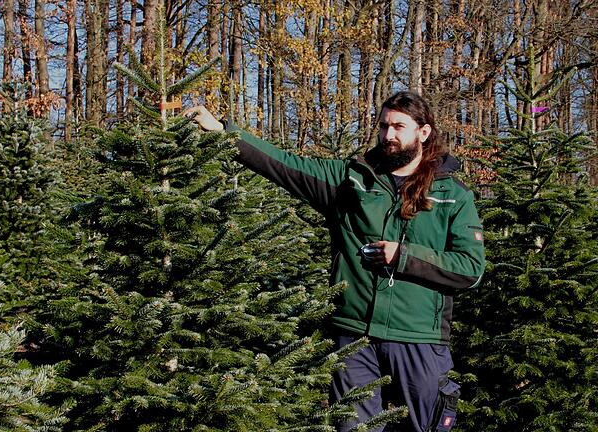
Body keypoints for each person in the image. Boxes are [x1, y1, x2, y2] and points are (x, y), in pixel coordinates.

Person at [184, 91, 485, 432]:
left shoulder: (452, 195)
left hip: (418, 338)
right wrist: (224, 131)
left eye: (399, 127)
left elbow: (469, 268)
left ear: (424, 132)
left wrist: (403, 257)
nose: (389, 135)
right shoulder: (351, 180)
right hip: (353, 335)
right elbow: (285, 165)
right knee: (352, 427)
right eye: (384, 126)